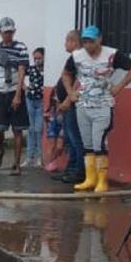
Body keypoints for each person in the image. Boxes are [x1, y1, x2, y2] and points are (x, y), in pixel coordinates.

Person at [62, 25, 131, 193]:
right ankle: (90, 178)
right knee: (87, 143)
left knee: (99, 143)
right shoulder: (77, 56)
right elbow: (66, 73)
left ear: (99, 39)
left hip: (103, 105)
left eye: (91, 41)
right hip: (83, 104)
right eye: (85, 41)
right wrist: (70, 92)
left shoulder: (112, 54)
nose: (88, 45)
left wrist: (119, 86)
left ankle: (102, 180)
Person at [0, 17, 30, 175]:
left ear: (14, 32)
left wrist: (18, 95)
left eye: (11, 32)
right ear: (0, 33)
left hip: (14, 90)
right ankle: (0, 150)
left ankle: (17, 164)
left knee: (17, 129)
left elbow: (21, 71)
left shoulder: (21, 48)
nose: (8, 35)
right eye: (5, 32)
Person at [54, 30, 84, 184]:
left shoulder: (79, 59)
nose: (65, 44)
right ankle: (71, 169)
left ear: (74, 42)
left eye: (67, 40)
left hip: (72, 104)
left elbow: (77, 82)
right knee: (69, 138)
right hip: (66, 104)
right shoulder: (72, 58)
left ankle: (79, 171)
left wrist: (67, 100)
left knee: (75, 138)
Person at [24, 47, 46, 168]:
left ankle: (39, 157)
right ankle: (29, 157)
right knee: (30, 129)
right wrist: (25, 88)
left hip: (41, 101)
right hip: (30, 100)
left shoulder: (48, 70)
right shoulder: (31, 69)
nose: (37, 60)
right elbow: (20, 75)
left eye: (39, 58)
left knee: (39, 129)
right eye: (35, 58)